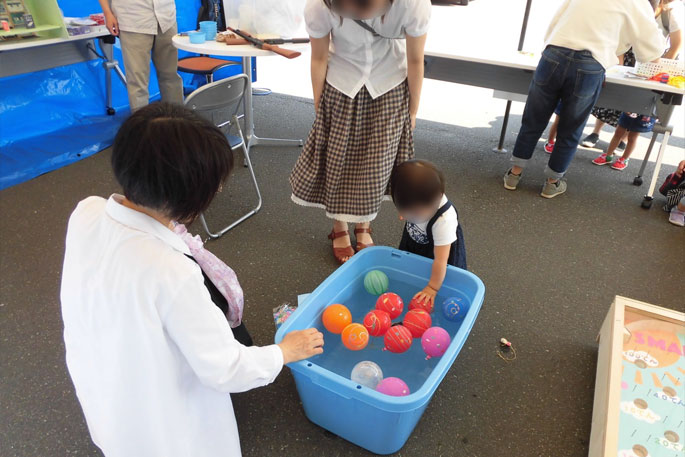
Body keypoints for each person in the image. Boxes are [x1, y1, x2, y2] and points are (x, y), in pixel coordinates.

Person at [61, 103, 324, 457]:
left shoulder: (86, 210)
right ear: (185, 195)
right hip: (164, 426)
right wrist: (285, 351)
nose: (217, 190)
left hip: (106, 380)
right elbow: (224, 367)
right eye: (214, 184)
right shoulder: (171, 271)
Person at [290, 0, 431, 263]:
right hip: (342, 84)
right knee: (339, 161)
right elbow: (319, 57)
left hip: (390, 85)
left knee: (377, 165)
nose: (360, 13)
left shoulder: (413, 4)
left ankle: (363, 224)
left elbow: (415, 59)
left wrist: (413, 110)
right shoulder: (319, 6)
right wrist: (320, 105)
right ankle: (339, 226)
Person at [503, 0, 665, 199]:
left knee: (533, 119)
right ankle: (551, 184)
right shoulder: (637, 2)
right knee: (571, 128)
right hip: (590, 64)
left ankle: (514, 174)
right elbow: (651, 48)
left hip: (553, 54)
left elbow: (556, 20)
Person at [391, 159, 466, 306]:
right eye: (405, 209)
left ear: (438, 198)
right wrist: (405, 212)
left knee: (444, 281)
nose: (411, 215)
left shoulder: (443, 220)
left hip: (438, 251)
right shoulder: (415, 201)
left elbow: (441, 260)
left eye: (416, 212)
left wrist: (432, 287)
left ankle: (439, 291)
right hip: (414, 242)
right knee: (413, 271)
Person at [98, 0, 184, 111]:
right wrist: (108, 13)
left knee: (170, 75)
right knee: (137, 82)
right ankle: (141, 126)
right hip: (134, 19)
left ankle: (177, 121)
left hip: (166, 17)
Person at [591, 112, 655, 170]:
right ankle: (608, 155)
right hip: (629, 110)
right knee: (618, 133)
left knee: (632, 137)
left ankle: (624, 159)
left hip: (644, 114)